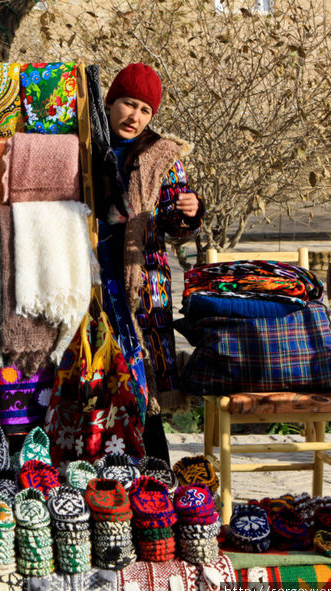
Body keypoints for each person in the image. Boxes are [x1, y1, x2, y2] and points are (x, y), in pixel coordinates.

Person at [95, 62, 204, 463]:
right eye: (128, 104)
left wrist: (190, 212)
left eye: (144, 109)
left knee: (145, 376)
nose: (135, 116)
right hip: (94, 268)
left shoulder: (162, 156)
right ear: (109, 103)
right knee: (99, 367)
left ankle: (155, 467)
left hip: (144, 278)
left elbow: (177, 225)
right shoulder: (86, 145)